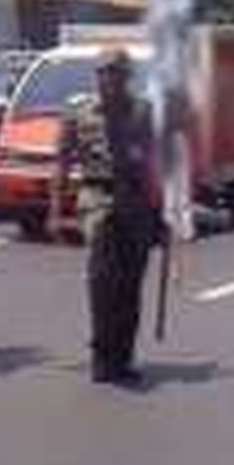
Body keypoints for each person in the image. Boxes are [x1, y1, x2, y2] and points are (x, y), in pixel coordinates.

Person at [50, 48, 160, 387]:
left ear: (127, 77)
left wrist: (163, 213)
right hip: (97, 199)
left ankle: (122, 358)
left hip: (136, 202)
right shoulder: (78, 113)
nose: (106, 79)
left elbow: (155, 164)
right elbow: (62, 163)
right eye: (101, 72)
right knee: (102, 279)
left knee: (129, 285)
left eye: (114, 73)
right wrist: (55, 211)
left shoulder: (143, 111)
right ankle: (102, 355)